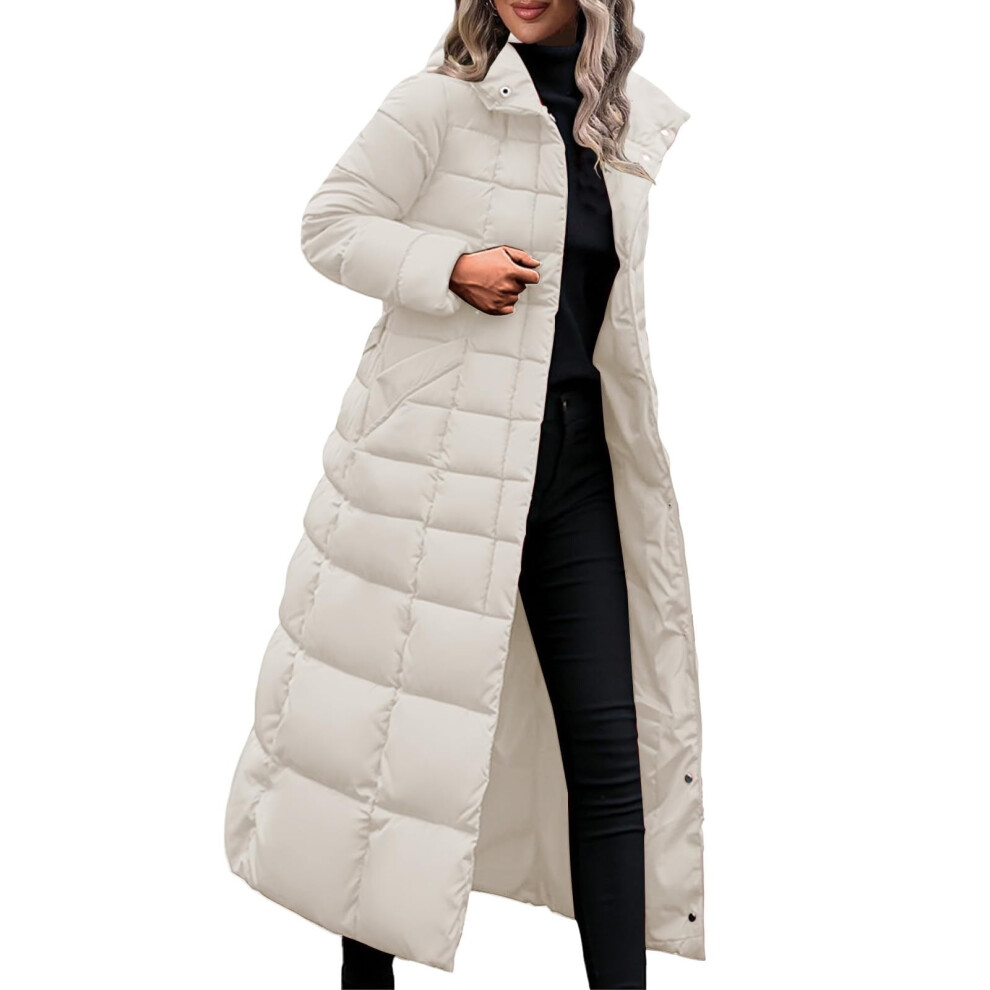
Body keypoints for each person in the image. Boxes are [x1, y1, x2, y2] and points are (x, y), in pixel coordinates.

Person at [342, 2, 645, 987]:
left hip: (575, 457)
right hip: (448, 457)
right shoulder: (439, 104)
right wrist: (449, 266)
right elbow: (330, 222)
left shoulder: (619, 124)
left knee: (609, 753)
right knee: (402, 744)